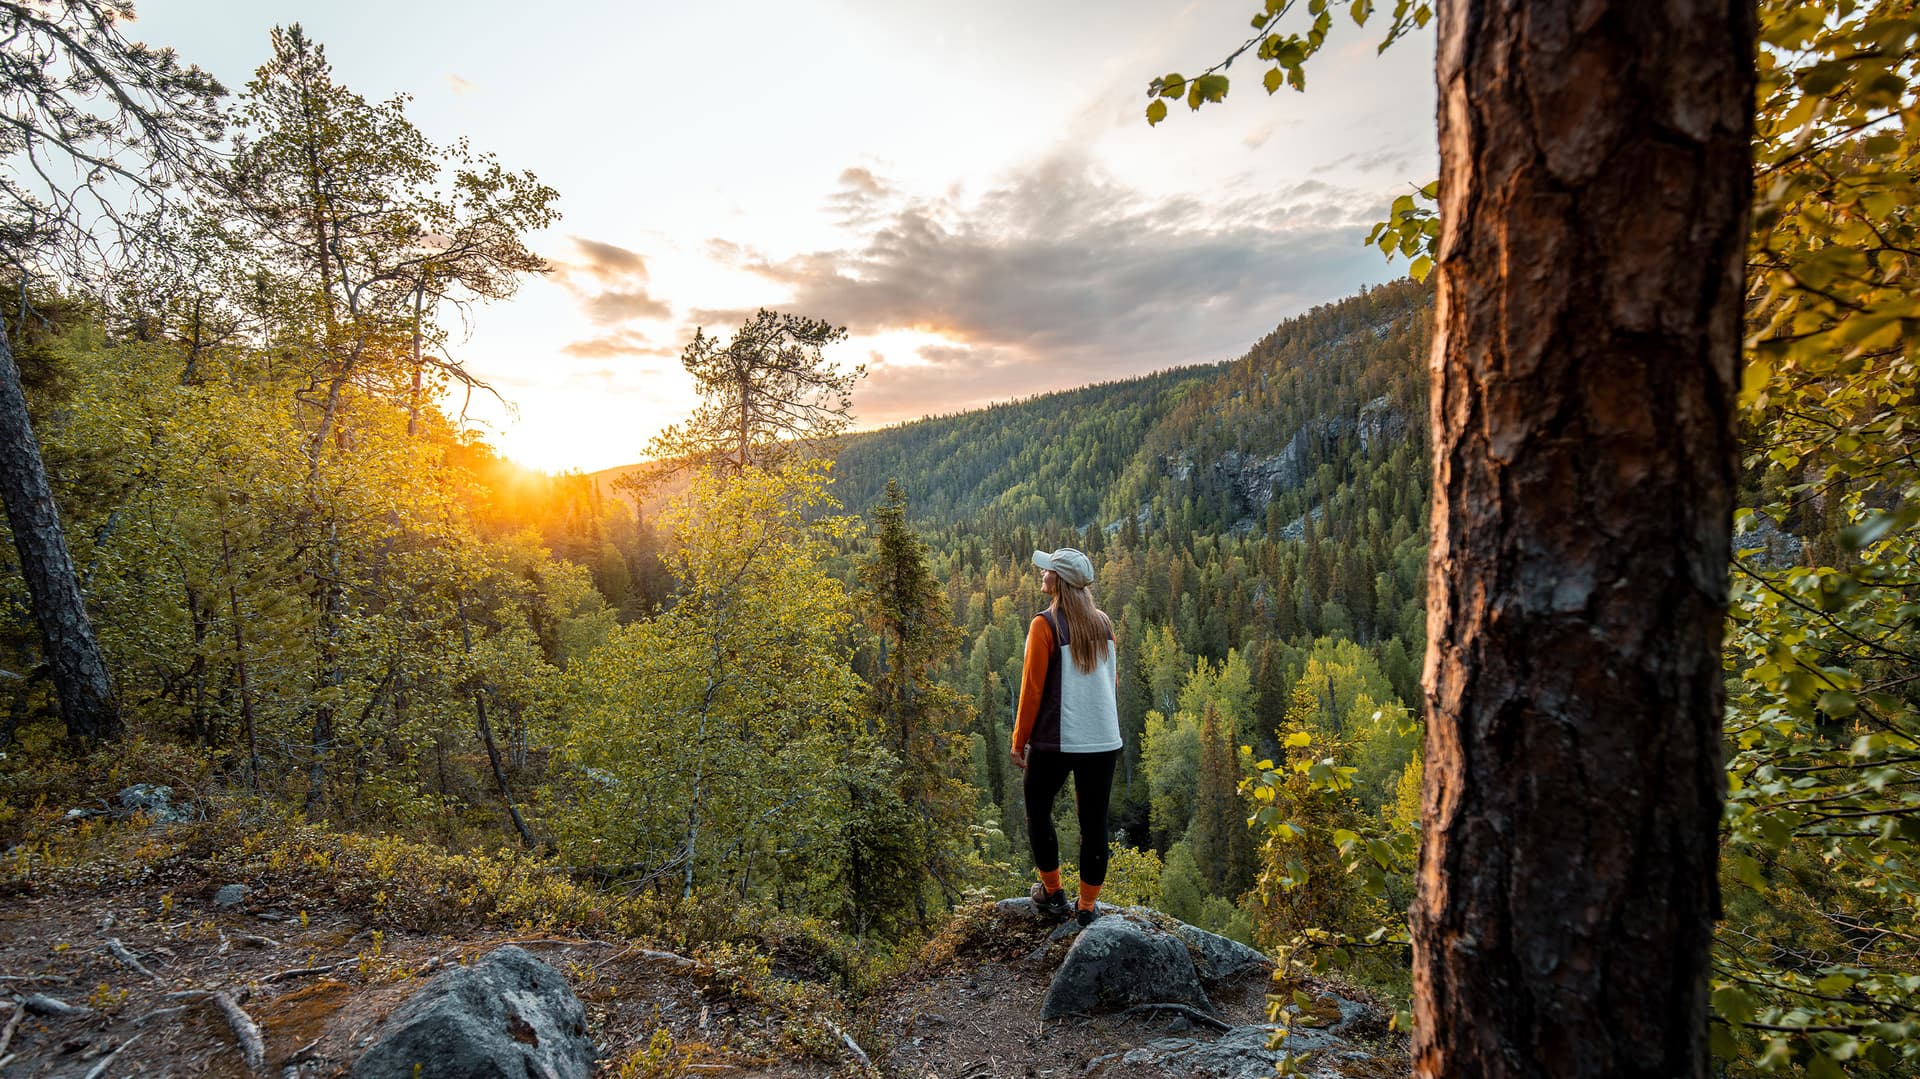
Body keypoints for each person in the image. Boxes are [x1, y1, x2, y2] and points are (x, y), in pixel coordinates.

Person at [1010, 546, 1122, 928]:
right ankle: (1087, 907)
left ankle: (1053, 893)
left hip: (1057, 739)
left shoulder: (1045, 625)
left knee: (1038, 809)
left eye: (1048, 571)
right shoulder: (1103, 623)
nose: (1042, 574)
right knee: (1095, 823)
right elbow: (1110, 683)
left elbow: (1032, 690)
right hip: (1103, 740)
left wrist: (1019, 741)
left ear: (1059, 581)